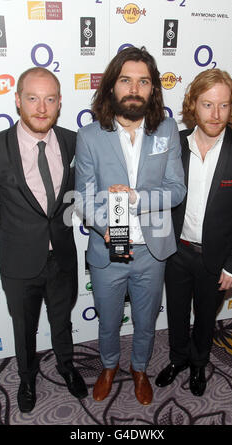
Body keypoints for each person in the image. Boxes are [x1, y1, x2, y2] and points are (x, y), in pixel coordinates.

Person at [75, 46, 186, 405]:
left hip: (152, 252)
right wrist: (107, 228)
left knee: (145, 320)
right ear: (112, 87)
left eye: (143, 81)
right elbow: (84, 198)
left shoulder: (167, 129)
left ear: (153, 89)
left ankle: (139, 368)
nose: (134, 88)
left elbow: (176, 190)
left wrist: (136, 197)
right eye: (126, 80)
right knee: (108, 320)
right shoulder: (90, 135)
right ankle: (109, 366)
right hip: (108, 248)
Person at [0, 67, 88, 413]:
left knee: (62, 320)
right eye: (33, 98)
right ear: (18, 100)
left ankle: (67, 367)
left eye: (50, 99)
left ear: (59, 103)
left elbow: (78, 195)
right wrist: (17, 239)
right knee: (23, 327)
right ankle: (26, 377)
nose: (41, 108)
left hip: (63, 257)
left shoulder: (73, 141)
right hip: (19, 261)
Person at [155, 69, 232, 396]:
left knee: (205, 316)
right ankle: (177, 359)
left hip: (217, 258)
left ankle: (199, 362)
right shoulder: (173, 144)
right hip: (176, 251)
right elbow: (159, 198)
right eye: (207, 104)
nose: (216, 114)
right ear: (193, 105)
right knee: (175, 312)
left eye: (224, 105)